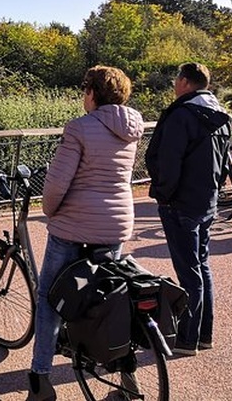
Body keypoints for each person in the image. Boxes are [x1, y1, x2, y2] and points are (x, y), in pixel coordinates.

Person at [26, 66, 144, 400]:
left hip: (74, 226)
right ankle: (125, 379)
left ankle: (41, 379)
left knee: (50, 297)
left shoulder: (79, 128)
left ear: (92, 92)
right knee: (108, 297)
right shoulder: (132, 127)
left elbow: (57, 184)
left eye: (84, 88)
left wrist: (49, 211)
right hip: (115, 224)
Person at [145, 62, 231, 357]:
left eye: (176, 79)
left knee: (189, 272)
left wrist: (163, 195)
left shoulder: (181, 115)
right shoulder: (221, 116)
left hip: (180, 202)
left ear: (184, 81)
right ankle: (203, 334)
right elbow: (223, 163)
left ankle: (187, 339)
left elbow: (168, 160)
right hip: (206, 200)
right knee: (201, 268)